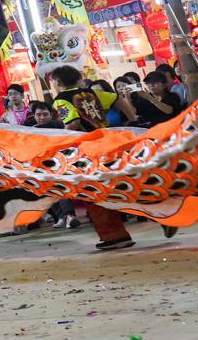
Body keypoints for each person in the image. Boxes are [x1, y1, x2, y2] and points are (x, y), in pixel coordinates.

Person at [47, 65, 135, 251]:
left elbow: (73, 122)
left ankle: (115, 236)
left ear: (57, 82)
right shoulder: (91, 92)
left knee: (92, 193)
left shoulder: (61, 100)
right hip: (107, 143)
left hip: (86, 151)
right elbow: (117, 99)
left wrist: (60, 142)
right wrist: (132, 117)